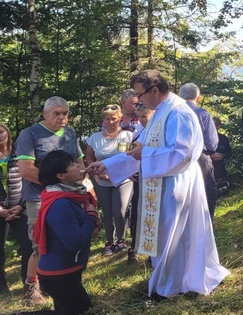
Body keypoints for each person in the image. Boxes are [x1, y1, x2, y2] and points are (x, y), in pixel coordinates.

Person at [86, 70, 229, 301]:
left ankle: (174, 284)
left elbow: (183, 154)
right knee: (167, 234)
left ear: (154, 90)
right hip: (162, 181)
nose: (137, 101)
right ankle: (169, 281)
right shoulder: (161, 111)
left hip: (178, 183)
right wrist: (107, 165)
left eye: (140, 95)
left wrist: (147, 153)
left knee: (176, 234)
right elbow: (138, 149)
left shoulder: (179, 112)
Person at [0, 150, 100, 315]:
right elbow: (75, 242)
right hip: (60, 275)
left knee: (68, 311)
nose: (79, 166)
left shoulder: (65, 195)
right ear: (61, 176)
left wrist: (88, 215)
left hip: (62, 271)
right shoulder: (60, 204)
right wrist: (91, 215)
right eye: (72, 164)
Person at [15, 96, 85, 305]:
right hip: (40, 199)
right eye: (56, 113)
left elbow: (79, 164)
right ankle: (32, 287)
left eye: (65, 113)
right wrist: (56, 186)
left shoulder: (70, 133)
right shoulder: (30, 134)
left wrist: (83, 181)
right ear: (45, 114)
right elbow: (26, 170)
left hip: (70, 198)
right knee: (40, 243)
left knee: (67, 241)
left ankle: (64, 283)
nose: (61, 117)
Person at [85, 104, 134, 256]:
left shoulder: (127, 136)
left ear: (120, 118)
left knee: (119, 211)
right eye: (107, 119)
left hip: (123, 180)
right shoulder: (94, 139)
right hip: (102, 181)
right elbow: (89, 159)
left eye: (114, 119)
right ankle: (109, 241)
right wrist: (97, 175)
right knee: (107, 212)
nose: (111, 122)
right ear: (103, 120)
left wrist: (118, 173)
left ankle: (121, 239)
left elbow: (130, 158)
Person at [0, 124, 33, 295]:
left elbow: (27, 179)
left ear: (8, 133)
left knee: (28, 245)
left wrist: (21, 205)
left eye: (1, 131)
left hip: (20, 206)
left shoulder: (19, 154)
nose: (0, 135)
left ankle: (28, 282)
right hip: (0, 209)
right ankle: (2, 287)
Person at [180, 83, 219, 218]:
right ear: (198, 97)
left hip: (178, 158)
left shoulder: (173, 113)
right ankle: (206, 229)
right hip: (201, 158)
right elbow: (211, 143)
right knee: (209, 193)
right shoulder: (202, 113)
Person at [125, 103, 154, 264]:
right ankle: (134, 247)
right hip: (138, 177)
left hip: (153, 178)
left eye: (145, 116)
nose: (142, 120)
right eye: (139, 116)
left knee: (152, 213)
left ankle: (152, 252)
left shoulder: (158, 130)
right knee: (136, 212)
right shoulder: (136, 131)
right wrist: (129, 171)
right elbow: (128, 153)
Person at [211, 117, 232, 195]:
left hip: (221, 167)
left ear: (219, 126)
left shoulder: (223, 138)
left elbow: (229, 153)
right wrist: (210, 156)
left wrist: (223, 156)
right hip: (209, 168)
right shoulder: (204, 139)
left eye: (215, 125)